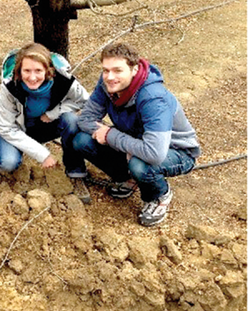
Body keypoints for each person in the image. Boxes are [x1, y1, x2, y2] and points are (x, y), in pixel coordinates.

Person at [73, 42, 200, 226]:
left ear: (134, 69)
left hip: (176, 151)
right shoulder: (107, 85)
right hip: (136, 142)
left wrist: (111, 135)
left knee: (140, 164)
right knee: (81, 140)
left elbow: (155, 153)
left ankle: (159, 195)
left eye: (117, 70)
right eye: (105, 70)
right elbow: (85, 119)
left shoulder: (153, 98)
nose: (110, 77)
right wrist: (111, 136)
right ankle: (129, 178)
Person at [0, 43, 90, 200]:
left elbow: (84, 101)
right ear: (19, 71)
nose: (32, 77)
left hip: (40, 125)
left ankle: (75, 172)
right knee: (8, 163)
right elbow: (7, 127)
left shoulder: (63, 81)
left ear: (48, 71)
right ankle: (12, 158)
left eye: (38, 71)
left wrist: (54, 113)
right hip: (12, 128)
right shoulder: (9, 87)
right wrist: (42, 154)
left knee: (71, 120)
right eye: (27, 71)